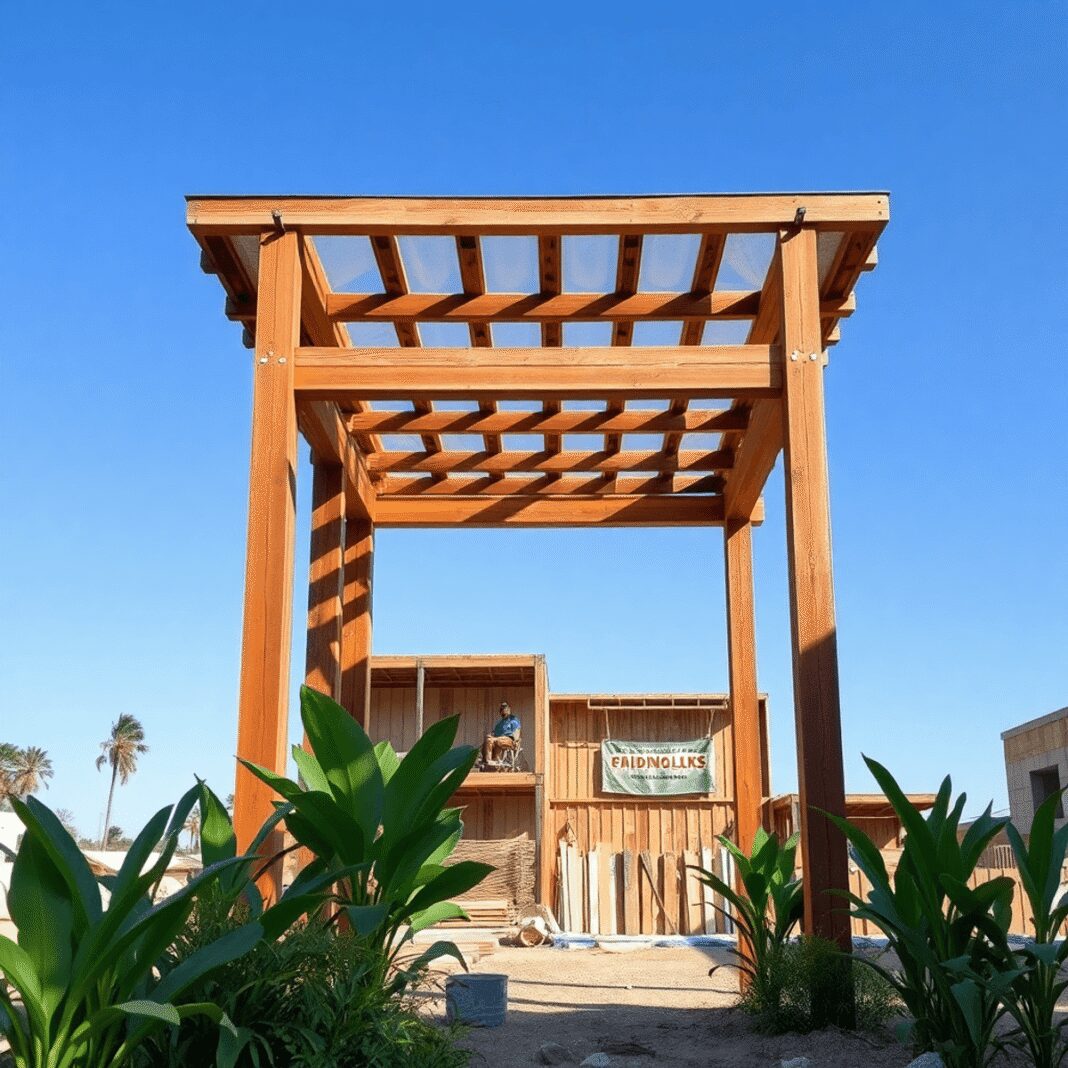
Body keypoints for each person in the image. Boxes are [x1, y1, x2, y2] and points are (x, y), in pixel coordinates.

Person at [481, 701, 521, 767]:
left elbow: (517, 733)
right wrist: (490, 735)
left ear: (509, 709)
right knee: (488, 740)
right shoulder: (499, 723)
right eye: (501, 709)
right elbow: (493, 733)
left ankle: (495, 759)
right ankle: (488, 761)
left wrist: (516, 742)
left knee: (496, 740)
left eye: (505, 708)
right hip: (498, 738)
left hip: (509, 739)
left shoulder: (513, 720)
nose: (503, 710)